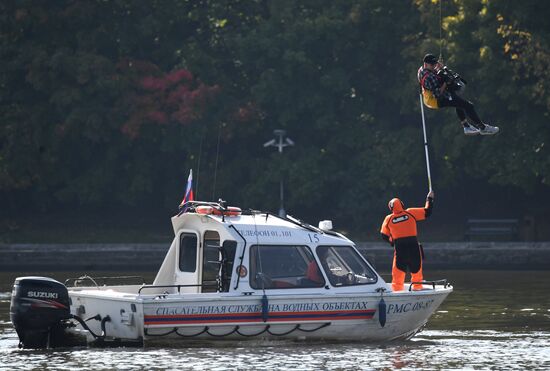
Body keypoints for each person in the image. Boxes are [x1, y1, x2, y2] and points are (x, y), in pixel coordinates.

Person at [418, 53, 499, 136]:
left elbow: (434, 78)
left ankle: (466, 127)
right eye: (432, 65)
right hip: (434, 100)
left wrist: (440, 68)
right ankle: (483, 128)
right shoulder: (429, 77)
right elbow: (438, 94)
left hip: (430, 96)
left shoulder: (422, 69)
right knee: (468, 105)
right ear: (425, 64)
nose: (434, 66)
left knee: (457, 99)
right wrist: (446, 82)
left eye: (435, 63)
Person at [380, 191, 434, 291]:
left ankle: (397, 289)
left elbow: (384, 235)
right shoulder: (410, 212)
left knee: (398, 271)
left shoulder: (388, 219)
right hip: (413, 246)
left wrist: (392, 242)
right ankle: (417, 287)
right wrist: (429, 199)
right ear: (402, 204)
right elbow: (428, 212)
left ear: (391, 208)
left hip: (400, 248)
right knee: (416, 268)